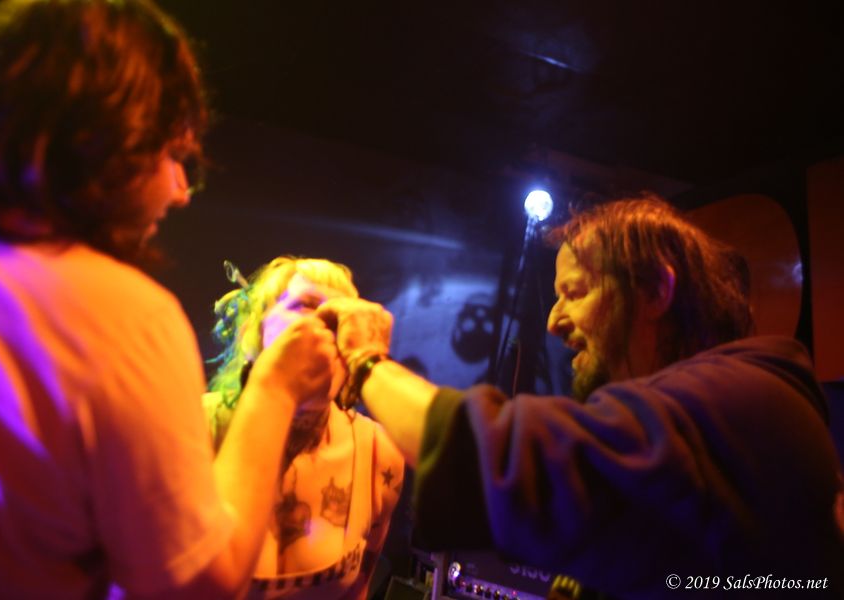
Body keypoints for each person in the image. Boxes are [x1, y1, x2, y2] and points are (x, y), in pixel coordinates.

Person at [0, 2, 339, 598]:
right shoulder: (126, 317)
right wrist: (276, 389)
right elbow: (197, 585)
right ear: (101, 140)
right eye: (173, 155)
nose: (181, 191)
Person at [317, 196, 844, 598]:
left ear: (656, 290)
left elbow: (504, 458)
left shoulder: (749, 400)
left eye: (575, 292)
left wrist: (366, 361)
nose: (553, 321)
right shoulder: (713, 415)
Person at [203, 257, 404, 599]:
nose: (326, 327)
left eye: (341, 317)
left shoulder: (378, 453)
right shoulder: (195, 427)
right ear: (254, 331)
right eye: (305, 305)